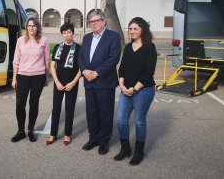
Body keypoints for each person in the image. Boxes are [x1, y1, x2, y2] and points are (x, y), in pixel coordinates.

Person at [114, 17, 157, 165]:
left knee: (139, 121)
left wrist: (134, 89)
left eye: (135, 29)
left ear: (143, 30)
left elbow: (148, 72)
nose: (132, 31)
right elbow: (122, 68)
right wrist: (122, 85)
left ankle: (139, 151)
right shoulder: (127, 47)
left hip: (143, 90)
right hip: (126, 89)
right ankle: (125, 148)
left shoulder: (149, 47)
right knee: (120, 119)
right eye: (130, 29)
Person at [78, 10, 121, 155]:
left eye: (96, 21)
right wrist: (84, 71)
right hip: (89, 82)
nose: (93, 24)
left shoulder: (113, 36)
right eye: (91, 22)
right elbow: (81, 57)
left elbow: (113, 58)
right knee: (91, 112)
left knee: (105, 113)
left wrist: (96, 73)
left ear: (104, 21)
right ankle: (93, 138)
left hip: (105, 81)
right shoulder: (87, 37)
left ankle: (104, 141)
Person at [11, 17, 50, 143]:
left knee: (34, 104)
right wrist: (14, 78)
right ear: (26, 27)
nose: (31, 28)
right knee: (20, 104)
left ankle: (31, 130)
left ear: (37, 27)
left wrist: (46, 77)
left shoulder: (43, 40)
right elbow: (16, 60)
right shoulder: (20, 40)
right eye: (29, 25)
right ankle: (21, 131)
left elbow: (47, 60)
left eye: (34, 26)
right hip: (22, 76)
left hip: (38, 77)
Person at [46, 22, 82, 146]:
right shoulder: (57, 47)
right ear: (62, 34)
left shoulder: (79, 48)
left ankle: (67, 134)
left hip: (72, 83)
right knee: (56, 108)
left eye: (69, 32)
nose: (67, 35)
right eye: (64, 33)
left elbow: (81, 69)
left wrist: (73, 83)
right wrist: (56, 82)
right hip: (58, 83)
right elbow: (52, 66)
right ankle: (53, 134)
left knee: (69, 109)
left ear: (73, 33)